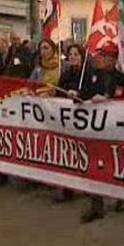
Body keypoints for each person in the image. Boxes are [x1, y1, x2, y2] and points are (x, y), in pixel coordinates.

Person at [76, 42, 124, 223]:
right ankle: (96, 206)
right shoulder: (92, 75)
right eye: (99, 55)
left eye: (103, 56)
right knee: (94, 166)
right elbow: (82, 95)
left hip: (115, 129)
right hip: (95, 130)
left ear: (113, 60)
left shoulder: (123, 78)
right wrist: (74, 96)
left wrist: (108, 99)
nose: (98, 58)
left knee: (116, 164)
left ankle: (121, 197)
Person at [0, 33, 34, 188]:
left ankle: (24, 173)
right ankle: (0, 173)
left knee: (19, 139)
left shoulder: (18, 59)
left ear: (7, 43)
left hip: (15, 105)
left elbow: (25, 78)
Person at [53, 43, 88, 203]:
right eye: (71, 54)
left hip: (84, 119)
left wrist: (79, 94)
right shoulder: (66, 73)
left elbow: (91, 91)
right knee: (67, 152)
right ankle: (67, 188)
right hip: (68, 118)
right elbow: (58, 91)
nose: (73, 57)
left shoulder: (88, 73)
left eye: (76, 54)